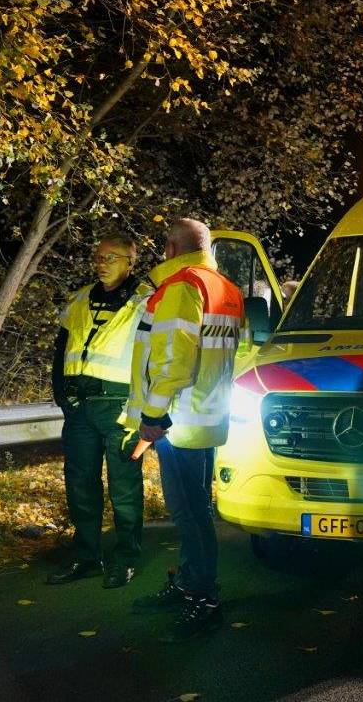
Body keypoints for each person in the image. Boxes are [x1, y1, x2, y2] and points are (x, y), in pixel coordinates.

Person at [123, 218, 245, 641]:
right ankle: (191, 582)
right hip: (208, 419)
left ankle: (205, 599)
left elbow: (173, 363)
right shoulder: (226, 289)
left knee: (189, 514)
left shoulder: (180, 287)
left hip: (177, 422)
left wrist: (153, 416)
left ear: (171, 249)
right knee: (198, 509)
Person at [46, 234, 153, 588]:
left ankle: (125, 558)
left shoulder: (146, 302)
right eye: (99, 257)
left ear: (130, 261)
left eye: (112, 257)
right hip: (79, 408)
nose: (102, 263)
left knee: (123, 486)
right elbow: (60, 353)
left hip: (119, 407)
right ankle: (86, 556)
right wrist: (62, 396)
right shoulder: (78, 300)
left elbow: (154, 356)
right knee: (79, 483)